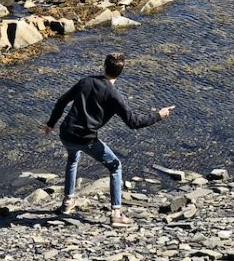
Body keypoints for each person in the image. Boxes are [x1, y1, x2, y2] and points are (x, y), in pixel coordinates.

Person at [43, 52, 174, 227]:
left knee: (73, 158)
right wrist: (159, 115)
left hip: (66, 133)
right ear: (120, 72)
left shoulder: (86, 81)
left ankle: (68, 202)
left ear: (103, 66)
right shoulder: (114, 95)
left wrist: (51, 124)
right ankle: (116, 213)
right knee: (115, 165)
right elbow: (134, 122)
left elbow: (61, 101)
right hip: (86, 139)